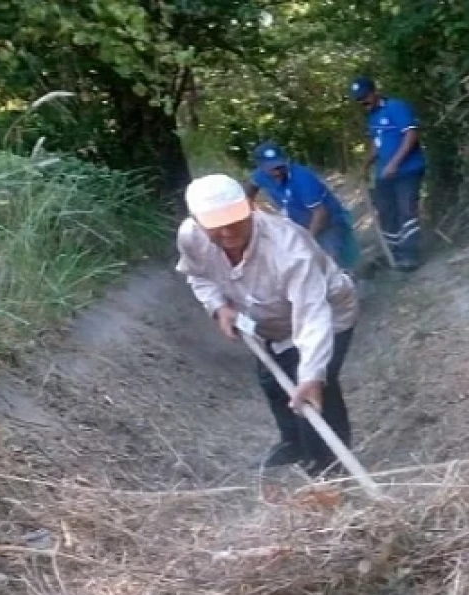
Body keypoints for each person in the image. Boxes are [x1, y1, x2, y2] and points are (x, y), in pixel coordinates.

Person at [175, 173, 359, 474]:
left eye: (234, 218)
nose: (227, 231)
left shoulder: (288, 249)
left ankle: (328, 469)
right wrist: (219, 307)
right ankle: (294, 444)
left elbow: (313, 314)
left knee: (313, 390)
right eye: (215, 223)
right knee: (273, 382)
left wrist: (312, 375)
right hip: (269, 319)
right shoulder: (191, 237)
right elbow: (198, 275)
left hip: (328, 314)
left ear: (251, 206)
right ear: (197, 221)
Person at [244, 140, 361, 272]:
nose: (277, 172)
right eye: (271, 169)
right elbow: (251, 187)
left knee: (331, 261)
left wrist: (308, 239)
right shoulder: (261, 176)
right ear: (261, 167)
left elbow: (321, 213)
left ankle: (352, 283)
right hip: (299, 222)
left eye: (279, 166)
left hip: (329, 221)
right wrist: (248, 209)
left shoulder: (303, 178)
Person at [350, 76, 426, 272]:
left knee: (406, 210)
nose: (362, 102)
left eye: (365, 97)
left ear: (374, 92)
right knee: (385, 211)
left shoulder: (396, 107)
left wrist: (395, 163)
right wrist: (365, 166)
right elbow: (377, 145)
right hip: (385, 173)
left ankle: (410, 255)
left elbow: (411, 135)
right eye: (358, 100)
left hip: (408, 170)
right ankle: (393, 251)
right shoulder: (372, 117)